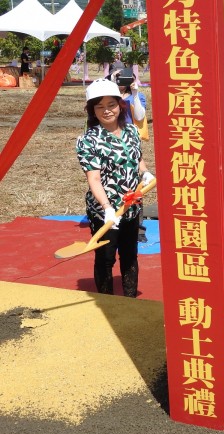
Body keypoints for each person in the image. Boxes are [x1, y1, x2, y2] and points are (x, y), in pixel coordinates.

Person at [76, 79, 155, 297]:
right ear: (92, 110)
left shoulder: (131, 131)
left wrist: (145, 172)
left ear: (120, 105)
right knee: (106, 256)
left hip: (132, 205)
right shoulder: (88, 140)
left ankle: (129, 301)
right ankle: (107, 301)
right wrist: (107, 208)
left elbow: (137, 159)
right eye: (99, 106)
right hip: (106, 210)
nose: (106, 111)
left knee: (130, 254)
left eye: (111, 104)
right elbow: (93, 179)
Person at [110, 68, 149, 242]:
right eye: (119, 78)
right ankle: (114, 221)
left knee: (135, 185)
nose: (122, 82)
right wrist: (111, 84)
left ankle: (138, 227)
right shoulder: (109, 96)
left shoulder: (136, 96)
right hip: (111, 143)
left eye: (126, 79)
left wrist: (135, 92)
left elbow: (140, 116)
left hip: (130, 143)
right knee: (113, 182)